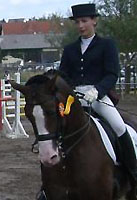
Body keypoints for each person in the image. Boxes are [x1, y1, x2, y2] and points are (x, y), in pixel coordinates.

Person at [59, 3, 137, 183]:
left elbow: (112, 73)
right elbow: (63, 75)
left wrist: (98, 90)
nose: (80, 26)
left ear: (94, 21)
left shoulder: (106, 45)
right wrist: (70, 89)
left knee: (119, 126)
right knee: (53, 130)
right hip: (74, 99)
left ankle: (132, 173)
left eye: (84, 21)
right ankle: (48, 185)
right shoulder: (70, 49)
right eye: (77, 22)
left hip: (98, 97)